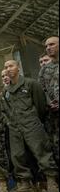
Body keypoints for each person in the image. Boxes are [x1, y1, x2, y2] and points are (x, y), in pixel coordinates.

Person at [2, 60, 58, 192]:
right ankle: (25, 184)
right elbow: (5, 110)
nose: (8, 69)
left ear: (18, 67)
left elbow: (40, 104)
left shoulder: (31, 83)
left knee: (41, 151)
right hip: (15, 126)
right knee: (17, 155)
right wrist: (11, 122)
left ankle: (51, 181)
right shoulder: (6, 90)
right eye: (6, 67)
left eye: (11, 66)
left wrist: (33, 118)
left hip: (31, 123)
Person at [38, 36, 59, 166]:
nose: (48, 48)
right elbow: (41, 90)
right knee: (55, 147)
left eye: (52, 44)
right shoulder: (45, 69)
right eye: (46, 46)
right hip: (53, 117)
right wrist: (48, 103)